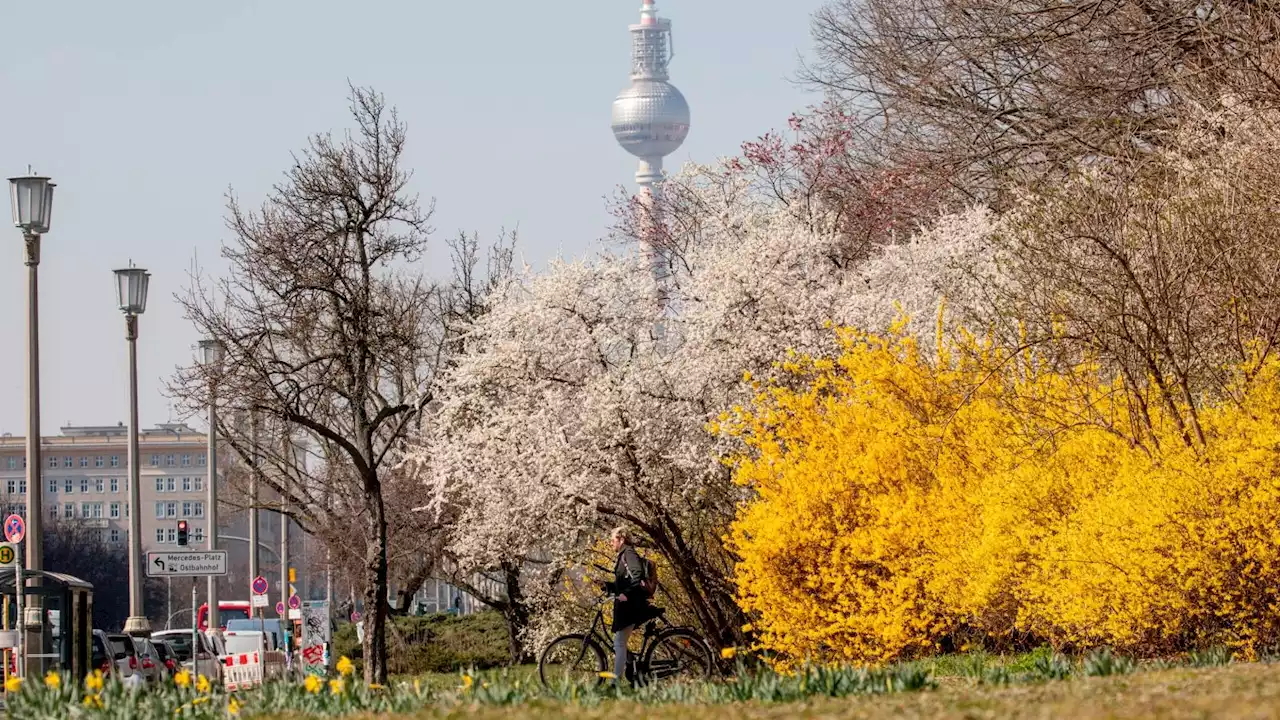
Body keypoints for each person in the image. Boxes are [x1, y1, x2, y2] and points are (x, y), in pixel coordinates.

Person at [603, 526, 652, 686]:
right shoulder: (624, 555)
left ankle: (615, 683)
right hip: (627, 607)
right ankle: (631, 670)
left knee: (619, 644)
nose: (611, 543)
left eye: (613, 540)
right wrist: (608, 586)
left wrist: (627, 594)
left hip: (631, 607)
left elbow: (637, 575)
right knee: (620, 643)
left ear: (621, 540)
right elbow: (624, 581)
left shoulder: (629, 553)